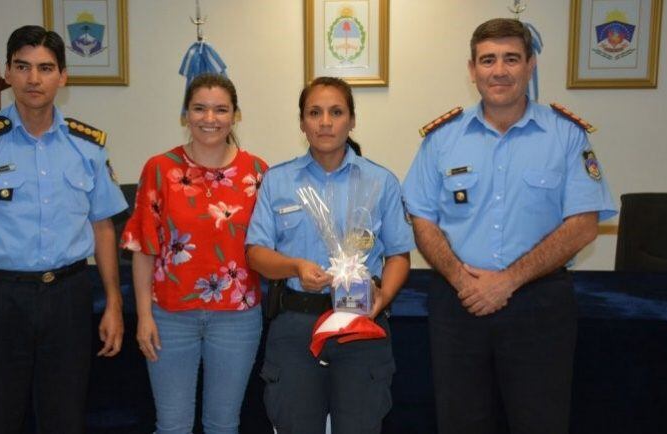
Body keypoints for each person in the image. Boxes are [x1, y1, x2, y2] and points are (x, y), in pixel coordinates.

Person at [402, 18, 617, 434]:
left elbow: (583, 225)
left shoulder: (567, 136)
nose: (499, 70)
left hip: (540, 305)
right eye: (488, 60)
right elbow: (423, 220)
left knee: (540, 422)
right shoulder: (442, 139)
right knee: (460, 422)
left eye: (511, 59)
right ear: (472, 69)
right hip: (458, 303)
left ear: (530, 65)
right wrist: (465, 283)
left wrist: (508, 281)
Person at [0, 25, 127, 434]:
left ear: (63, 76)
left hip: (67, 299)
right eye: (24, 67)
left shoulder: (87, 145)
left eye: (46, 68)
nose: (34, 79)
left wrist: (114, 305)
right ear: (10, 74)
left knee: (65, 420)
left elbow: (103, 228)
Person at [246, 76, 414, 434]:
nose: (325, 122)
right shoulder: (278, 181)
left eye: (336, 112)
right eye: (315, 113)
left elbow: (399, 254)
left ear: (352, 120)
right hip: (296, 325)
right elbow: (256, 254)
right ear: (302, 123)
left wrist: (382, 298)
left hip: (361, 322)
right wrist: (295, 266)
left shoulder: (380, 182)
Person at [120, 73, 267, 434]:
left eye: (221, 109)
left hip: (238, 317)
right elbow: (143, 248)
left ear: (236, 116)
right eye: (199, 108)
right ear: (186, 114)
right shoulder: (160, 169)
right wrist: (143, 316)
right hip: (169, 316)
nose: (209, 118)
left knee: (223, 425)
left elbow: (269, 247)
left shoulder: (258, 173)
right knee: (171, 426)